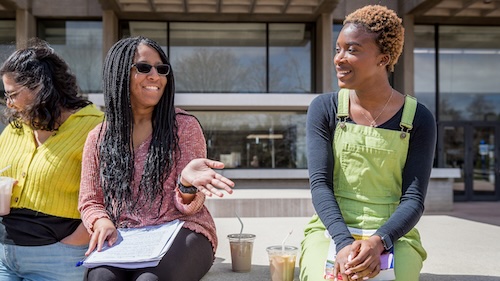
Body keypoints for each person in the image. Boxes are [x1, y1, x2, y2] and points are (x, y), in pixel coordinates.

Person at [78, 36, 235, 281]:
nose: (155, 76)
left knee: (149, 279)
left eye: (161, 69)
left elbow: (190, 205)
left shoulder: (184, 127)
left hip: (182, 230)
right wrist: (100, 222)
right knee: (100, 278)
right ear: (119, 74)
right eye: (143, 67)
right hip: (127, 236)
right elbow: (90, 201)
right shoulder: (98, 137)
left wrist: (186, 184)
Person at [300, 5, 436, 281]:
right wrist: (342, 242)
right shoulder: (324, 109)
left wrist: (379, 241)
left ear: (383, 58)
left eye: (352, 50)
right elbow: (320, 185)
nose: (339, 58)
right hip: (332, 228)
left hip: (393, 233)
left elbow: (414, 199)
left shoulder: (418, 118)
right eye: (337, 49)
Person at [0, 39, 104, 280]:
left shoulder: (94, 127)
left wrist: (70, 244)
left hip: (57, 258)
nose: (8, 103)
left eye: (13, 94)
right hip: (5, 258)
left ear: (40, 87)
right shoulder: (13, 129)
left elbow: (112, 197)